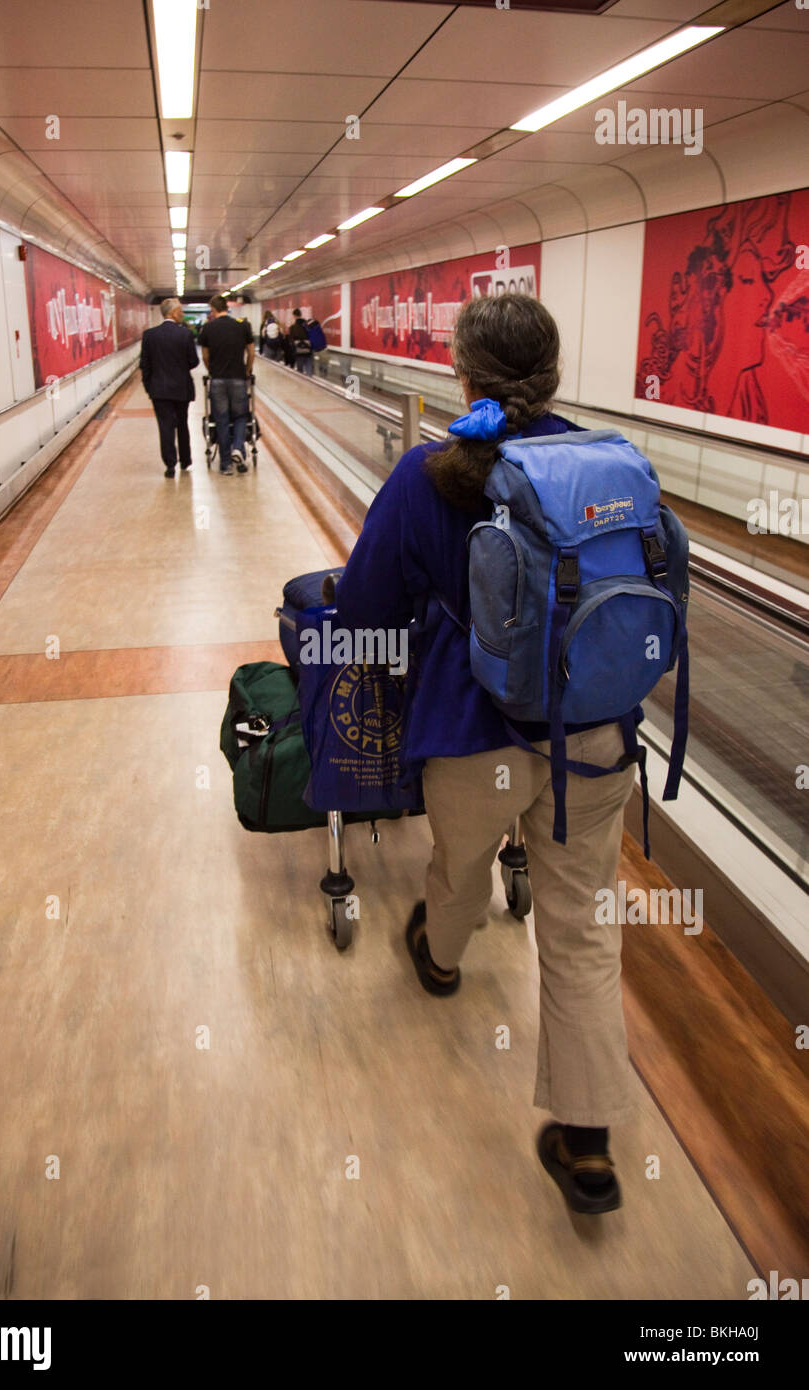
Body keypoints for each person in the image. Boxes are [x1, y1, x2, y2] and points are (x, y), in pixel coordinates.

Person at [333, 294, 640, 1217]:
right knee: (581, 925)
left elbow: (363, 615)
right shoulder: (607, 460)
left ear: (460, 372)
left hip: (474, 735)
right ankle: (586, 1144)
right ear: (553, 373)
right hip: (591, 731)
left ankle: (438, 957)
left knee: (458, 868)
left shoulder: (431, 474)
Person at [139, 297, 199, 477]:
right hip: (181, 388)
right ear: (173, 313)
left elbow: (145, 365)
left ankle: (170, 465)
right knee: (182, 424)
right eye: (180, 311)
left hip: (159, 390)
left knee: (165, 427)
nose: (182, 314)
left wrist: (149, 387)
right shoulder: (185, 334)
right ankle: (185, 461)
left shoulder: (150, 335)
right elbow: (193, 362)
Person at [198, 294, 255, 475]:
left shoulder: (208, 328)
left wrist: (212, 371)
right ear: (227, 307)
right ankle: (238, 447)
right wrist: (247, 370)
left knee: (221, 419)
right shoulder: (242, 326)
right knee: (240, 416)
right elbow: (251, 351)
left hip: (218, 380)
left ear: (213, 309)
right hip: (238, 378)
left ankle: (225, 465)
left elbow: (205, 356)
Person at [287, 307, 314, 376]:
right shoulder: (308, 325)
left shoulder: (292, 327)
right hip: (308, 349)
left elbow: (291, 341)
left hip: (299, 350)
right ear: (301, 314)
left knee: (300, 370)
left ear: (294, 316)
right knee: (309, 369)